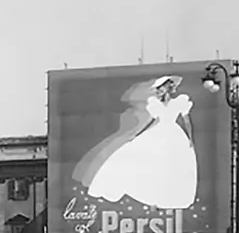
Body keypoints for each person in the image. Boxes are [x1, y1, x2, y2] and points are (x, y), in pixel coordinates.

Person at [85, 76, 200, 209]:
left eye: (160, 89)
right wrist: (138, 134)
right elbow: (152, 121)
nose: (158, 92)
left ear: (167, 88)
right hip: (159, 132)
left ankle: (168, 196)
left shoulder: (179, 102)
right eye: (157, 90)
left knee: (171, 164)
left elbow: (187, 122)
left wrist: (191, 139)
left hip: (174, 134)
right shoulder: (156, 104)